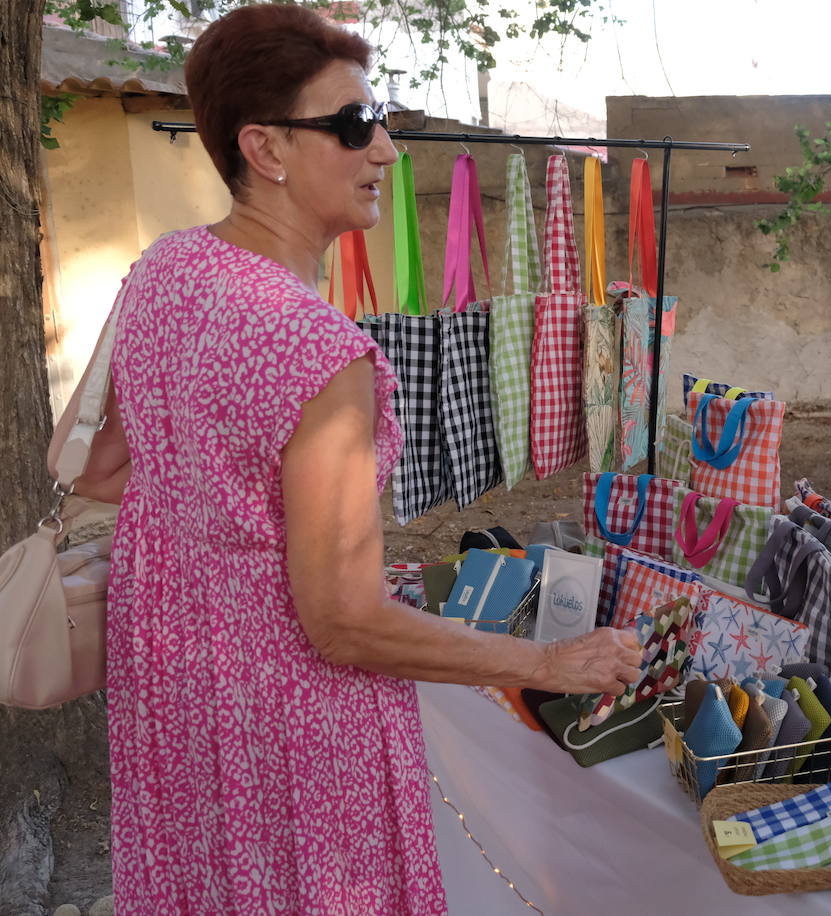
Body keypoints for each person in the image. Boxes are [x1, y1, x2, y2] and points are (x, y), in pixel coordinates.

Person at [46, 4, 642, 912]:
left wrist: (230, 532)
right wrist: (554, 665)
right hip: (294, 733)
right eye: (356, 124)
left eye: (383, 121)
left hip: (177, 695)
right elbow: (341, 624)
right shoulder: (320, 352)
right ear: (265, 149)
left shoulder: (164, 271)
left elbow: (98, 468)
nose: (388, 152)